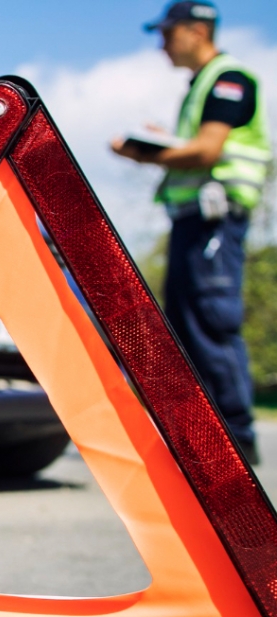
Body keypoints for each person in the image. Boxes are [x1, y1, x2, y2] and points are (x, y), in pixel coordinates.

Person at [112, 0, 271, 464]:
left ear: (197, 31)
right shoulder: (201, 85)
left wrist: (147, 154)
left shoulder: (228, 79)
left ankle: (236, 441)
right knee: (185, 324)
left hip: (214, 222)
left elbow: (207, 151)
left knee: (211, 321)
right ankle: (203, 439)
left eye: (167, 33)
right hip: (192, 222)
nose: (162, 44)